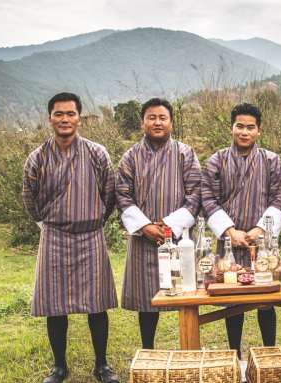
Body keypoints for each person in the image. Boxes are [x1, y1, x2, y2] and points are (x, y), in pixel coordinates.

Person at [21, 92, 120, 383]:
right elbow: (29, 198)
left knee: (97, 304)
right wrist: (47, 223)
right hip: (54, 235)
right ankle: (59, 367)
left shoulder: (97, 153)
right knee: (55, 305)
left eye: (70, 114)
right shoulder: (37, 157)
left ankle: (102, 365)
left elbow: (110, 194)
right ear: (50, 118)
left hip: (90, 234)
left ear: (79, 117)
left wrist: (93, 220)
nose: (65, 119)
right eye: (59, 114)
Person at [200, 103, 281, 359]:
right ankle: (234, 356)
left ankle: (268, 355)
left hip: (262, 244)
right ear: (231, 128)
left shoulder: (271, 161)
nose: (244, 132)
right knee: (232, 298)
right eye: (240, 126)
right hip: (229, 242)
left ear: (259, 130)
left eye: (250, 127)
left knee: (265, 300)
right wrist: (229, 231)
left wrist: (261, 228)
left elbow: (280, 197)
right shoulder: (217, 160)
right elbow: (208, 198)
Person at [116, 97, 202, 349]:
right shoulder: (130, 156)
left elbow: (196, 193)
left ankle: (187, 348)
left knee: (184, 295)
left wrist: (169, 225)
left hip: (178, 238)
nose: (157, 122)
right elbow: (122, 194)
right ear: (142, 122)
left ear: (171, 122)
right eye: (151, 117)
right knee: (146, 299)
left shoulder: (185, 153)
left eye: (162, 118)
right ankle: (148, 349)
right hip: (144, 238)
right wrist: (145, 227)